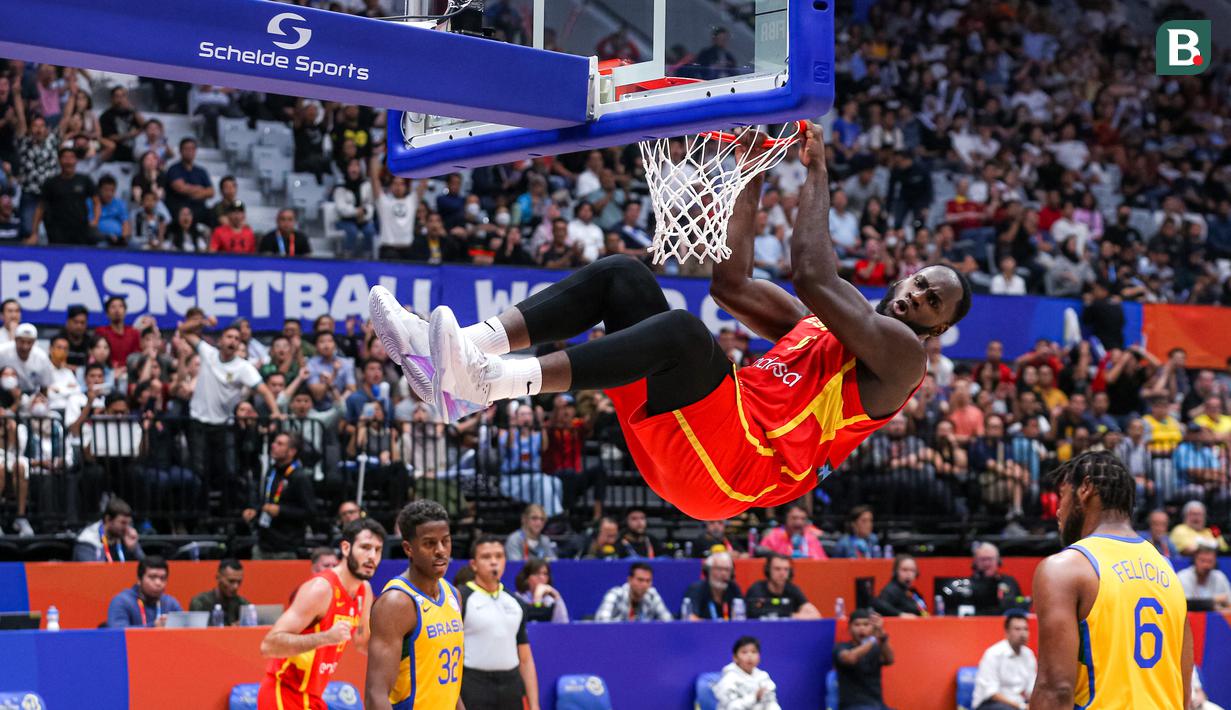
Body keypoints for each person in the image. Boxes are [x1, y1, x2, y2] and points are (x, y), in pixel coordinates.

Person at [370, 123, 971, 520]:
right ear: (905, 276)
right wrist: (752, 173)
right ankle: (460, 357)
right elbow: (731, 286)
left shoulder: (904, 357)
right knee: (622, 276)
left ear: (936, 328)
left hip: (737, 465)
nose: (918, 297)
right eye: (921, 282)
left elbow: (813, 275)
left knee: (685, 333)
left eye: (933, 301)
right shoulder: (821, 329)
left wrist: (815, 172)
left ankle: (490, 382)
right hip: (696, 437)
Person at [1031, 451, 1192, 710]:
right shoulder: (1168, 570)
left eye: (1063, 495)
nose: (1059, 511)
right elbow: (1184, 694)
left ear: (1085, 489)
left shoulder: (1065, 568)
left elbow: (1055, 689)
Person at [259, 518, 385, 710]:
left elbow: (362, 643)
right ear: (346, 548)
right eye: (365, 547)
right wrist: (326, 637)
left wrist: (408, 647)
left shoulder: (364, 591)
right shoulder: (321, 589)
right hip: (283, 694)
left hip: (313, 697)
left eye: (378, 550)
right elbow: (269, 645)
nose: (372, 556)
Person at [367, 501, 463, 710]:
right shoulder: (396, 603)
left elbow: (450, 688)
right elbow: (376, 695)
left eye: (445, 541)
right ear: (408, 548)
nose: (441, 551)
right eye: (429, 544)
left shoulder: (453, 595)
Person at [457, 535, 541, 710]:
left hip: (511, 685)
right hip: (473, 684)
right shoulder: (460, 598)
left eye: (499, 556)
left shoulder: (515, 603)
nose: (494, 562)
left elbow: (525, 659)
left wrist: (534, 705)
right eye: (486, 557)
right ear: (473, 564)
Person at [243, 431, 317, 559]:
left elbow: (310, 512)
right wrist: (255, 511)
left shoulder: (299, 477)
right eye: (274, 442)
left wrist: (281, 510)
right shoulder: (272, 471)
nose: (273, 445)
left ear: (292, 451)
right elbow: (267, 501)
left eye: (280, 444)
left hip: (287, 547)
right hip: (263, 544)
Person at [971, 611, 1036, 710]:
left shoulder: (1028, 655)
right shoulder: (994, 654)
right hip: (989, 704)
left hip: (1017, 702)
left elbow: (1031, 688)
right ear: (1007, 632)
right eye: (1017, 629)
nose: (1023, 634)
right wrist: (1022, 707)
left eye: (1025, 629)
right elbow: (992, 693)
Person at [832, 608, 894, 710]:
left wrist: (881, 634)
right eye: (857, 625)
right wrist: (872, 640)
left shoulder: (875, 648)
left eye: (866, 624)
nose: (861, 628)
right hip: (853, 706)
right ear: (849, 628)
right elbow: (850, 658)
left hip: (878, 705)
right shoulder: (841, 647)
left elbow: (889, 660)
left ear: (872, 628)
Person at [106, 556, 183, 628]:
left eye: (162, 578)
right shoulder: (122, 601)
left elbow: (184, 629)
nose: (158, 583)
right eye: (152, 577)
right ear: (139, 580)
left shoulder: (170, 603)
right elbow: (118, 633)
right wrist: (153, 627)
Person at [712, 636, 781, 710]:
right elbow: (731, 707)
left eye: (754, 652)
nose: (750, 656)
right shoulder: (728, 679)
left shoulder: (763, 676)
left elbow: (771, 702)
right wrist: (755, 697)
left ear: (759, 657)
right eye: (744, 652)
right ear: (735, 657)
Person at [744, 553, 821, 619]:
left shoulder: (792, 589)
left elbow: (815, 615)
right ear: (768, 570)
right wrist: (786, 615)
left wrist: (791, 616)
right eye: (777, 569)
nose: (782, 573)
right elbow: (750, 615)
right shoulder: (756, 590)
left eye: (786, 569)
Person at [594, 562, 673, 622]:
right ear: (630, 580)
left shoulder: (652, 595)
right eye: (640, 580)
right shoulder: (615, 594)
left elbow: (668, 622)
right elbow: (601, 624)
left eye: (648, 581)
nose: (644, 584)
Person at [73, 497, 144, 561]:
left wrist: (133, 549)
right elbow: (89, 570)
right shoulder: (88, 540)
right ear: (108, 519)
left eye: (129, 523)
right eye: (123, 523)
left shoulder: (125, 536)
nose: (127, 527)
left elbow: (145, 567)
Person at [968, 543, 1025, 616]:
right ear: (975, 562)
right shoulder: (968, 585)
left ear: (998, 560)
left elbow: (1020, 601)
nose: (987, 563)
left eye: (990, 559)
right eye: (982, 559)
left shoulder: (1009, 582)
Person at [189, 559, 250, 626]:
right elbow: (196, 629)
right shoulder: (200, 603)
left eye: (239, 582)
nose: (236, 586)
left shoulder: (243, 604)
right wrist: (231, 628)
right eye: (231, 581)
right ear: (218, 577)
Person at [683, 552, 742, 620]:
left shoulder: (733, 588)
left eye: (727, 570)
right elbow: (690, 618)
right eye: (719, 569)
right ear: (708, 570)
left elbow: (741, 616)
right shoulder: (697, 589)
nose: (723, 573)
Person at [760, 504, 828, 560]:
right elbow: (762, 560)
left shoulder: (811, 539)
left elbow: (822, 562)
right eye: (794, 518)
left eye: (803, 519)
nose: (799, 522)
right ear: (786, 519)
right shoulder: (773, 536)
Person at [513, 558, 569, 623]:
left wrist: (557, 596)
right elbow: (534, 623)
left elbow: (563, 623)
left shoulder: (550, 600)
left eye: (545, 574)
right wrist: (537, 597)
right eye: (537, 573)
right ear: (527, 578)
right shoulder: (517, 598)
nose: (542, 577)